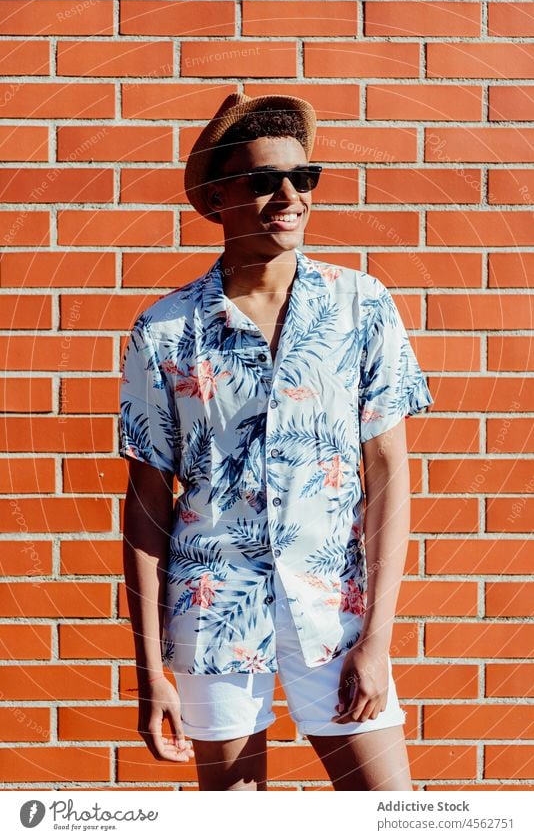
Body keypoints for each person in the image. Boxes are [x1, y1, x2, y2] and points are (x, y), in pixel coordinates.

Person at [118, 92, 434, 791]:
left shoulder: (360, 305)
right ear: (220, 195)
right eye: (265, 180)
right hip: (213, 611)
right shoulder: (165, 332)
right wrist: (150, 673)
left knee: (391, 815)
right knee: (237, 821)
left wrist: (377, 639)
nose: (291, 196)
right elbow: (145, 510)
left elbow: (389, 478)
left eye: (304, 177)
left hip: (337, 612)